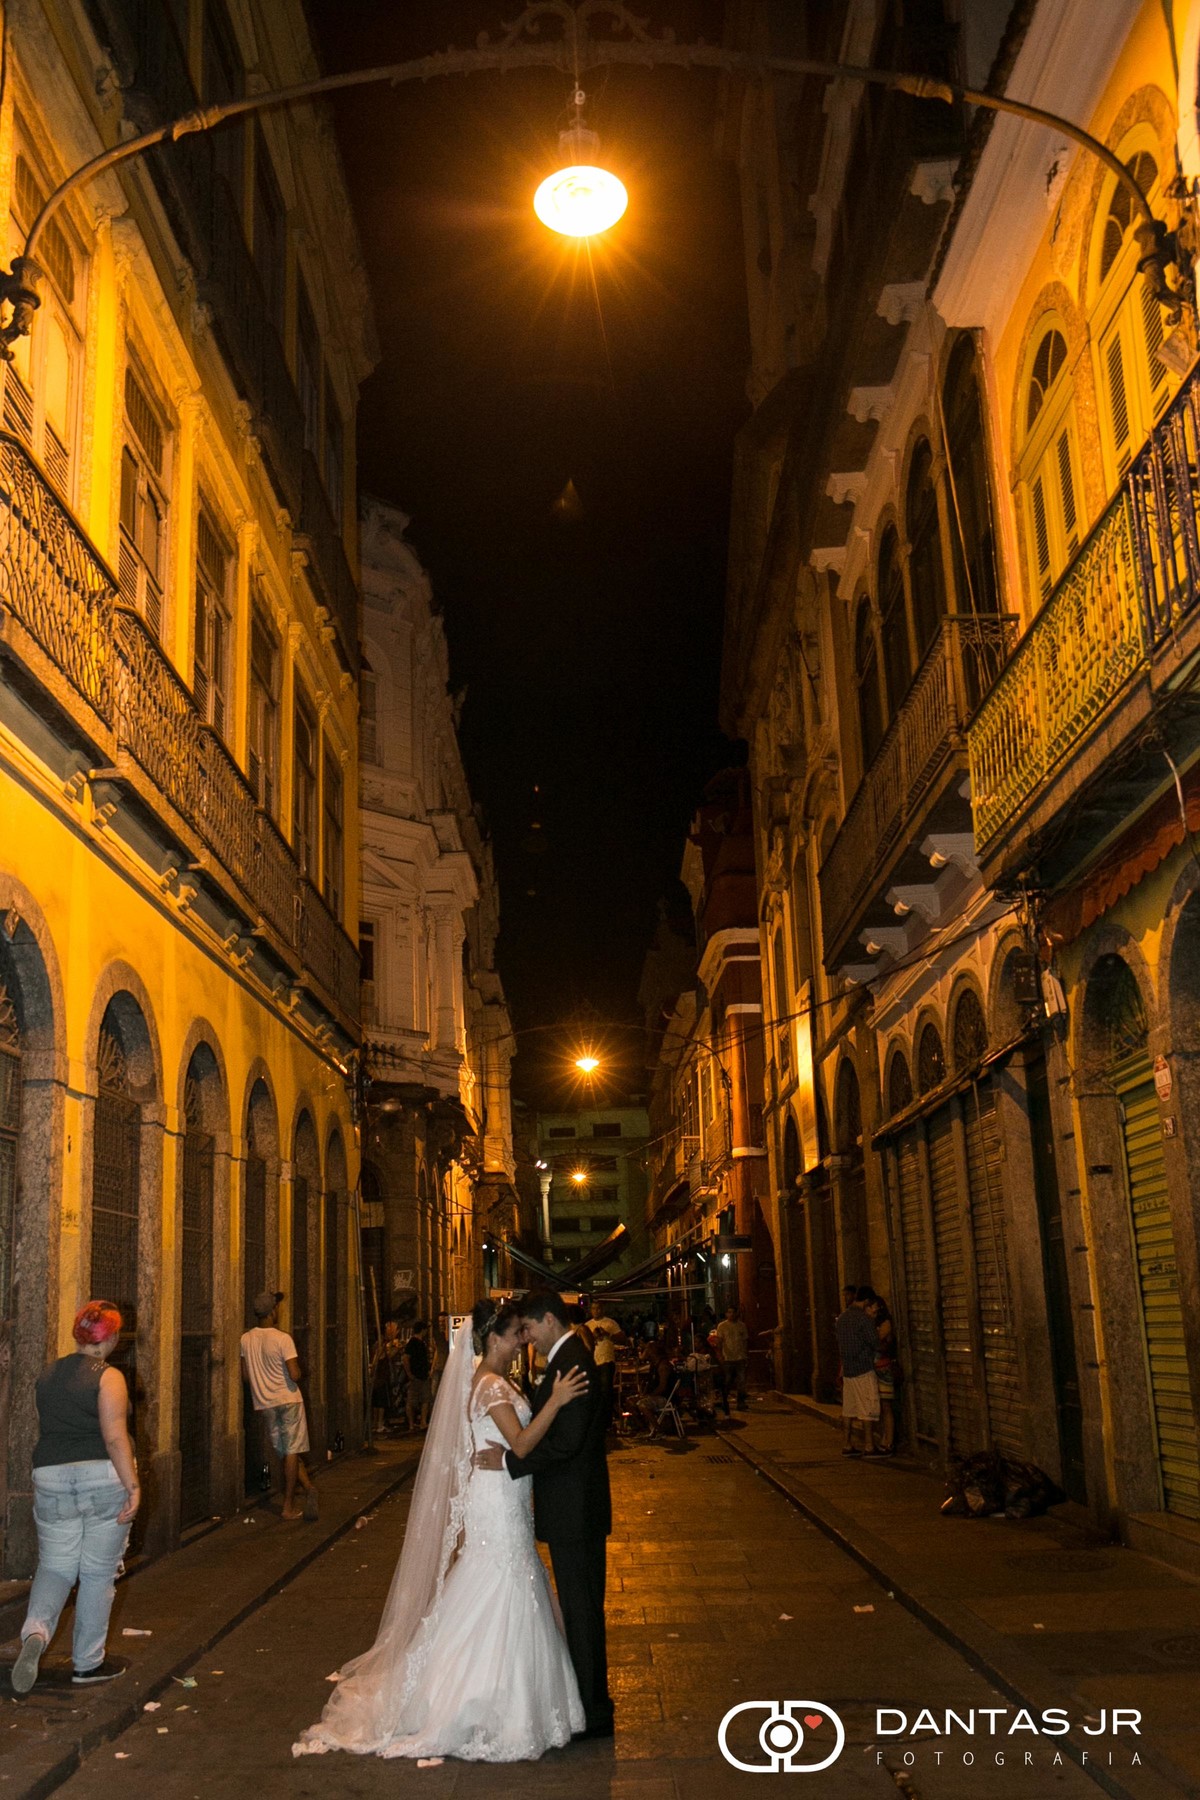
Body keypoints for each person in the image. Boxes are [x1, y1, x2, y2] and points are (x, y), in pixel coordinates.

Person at [294, 1300, 588, 1760]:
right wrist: (556, 1401)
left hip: (504, 1493)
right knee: (499, 1581)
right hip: (496, 1499)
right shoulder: (490, 1386)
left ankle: (492, 1693)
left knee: (504, 1578)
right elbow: (524, 1442)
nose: (521, 1343)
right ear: (493, 1339)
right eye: (514, 1336)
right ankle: (476, 1702)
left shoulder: (495, 1381)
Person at [474, 1290, 615, 1740]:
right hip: (573, 1505)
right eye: (518, 1334)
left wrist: (513, 1464)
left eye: (529, 1329)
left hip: (575, 1508)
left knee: (581, 1609)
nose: (526, 1339)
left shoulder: (570, 1361)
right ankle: (591, 1702)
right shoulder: (565, 1358)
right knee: (579, 1607)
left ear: (548, 1321)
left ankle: (593, 1711)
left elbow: (567, 1441)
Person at [11, 1301, 139, 1693]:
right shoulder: (109, 1377)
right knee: (97, 1574)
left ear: (77, 1334)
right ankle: (87, 1663)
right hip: (101, 1477)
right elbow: (115, 1437)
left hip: (50, 1476)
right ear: (112, 1338)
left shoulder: (48, 1374)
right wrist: (133, 1486)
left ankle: (35, 1633)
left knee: (55, 1566)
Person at [240, 1291, 318, 1521]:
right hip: (289, 1400)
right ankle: (288, 1506)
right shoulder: (283, 1339)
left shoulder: (245, 1339)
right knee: (292, 1451)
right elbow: (294, 1374)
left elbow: (245, 1376)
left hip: (265, 1403)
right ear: (272, 1312)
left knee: (285, 1452)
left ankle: (310, 1488)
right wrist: (300, 1371)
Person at [836, 1289, 882, 1457]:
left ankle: (847, 1444)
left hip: (848, 1370)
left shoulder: (842, 1318)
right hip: (863, 1367)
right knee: (867, 1408)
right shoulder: (864, 1319)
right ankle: (869, 1446)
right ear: (867, 1302)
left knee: (848, 1410)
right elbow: (875, 1342)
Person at [863, 1290, 898, 1454]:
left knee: (886, 1406)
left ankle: (888, 1441)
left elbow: (875, 1341)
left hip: (883, 1368)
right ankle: (883, 1438)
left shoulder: (885, 1323)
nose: (871, 1309)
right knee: (876, 1407)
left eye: (873, 1306)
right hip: (872, 1369)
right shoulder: (871, 1323)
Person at [586, 1298, 626, 1421]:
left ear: (602, 1309)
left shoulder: (610, 1323)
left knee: (606, 1390)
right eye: (593, 1308)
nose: (596, 1311)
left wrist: (607, 1334)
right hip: (593, 1362)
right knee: (594, 1390)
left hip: (606, 1360)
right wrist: (593, 1337)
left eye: (598, 1308)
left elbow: (622, 1338)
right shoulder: (588, 1325)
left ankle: (607, 1418)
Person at [714, 1305, 750, 1409]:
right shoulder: (722, 1326)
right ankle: (724, 1401)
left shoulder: (742, 1326)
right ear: (726, 1314)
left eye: (733, 1312)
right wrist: (720, 1355)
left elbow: (745, 1341)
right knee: (728, 1380)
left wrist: (746, 1355)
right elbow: (719, 1341)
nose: (731, 1314)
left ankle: (741, 1402)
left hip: (740, 1357)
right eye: (729, 1312)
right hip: (728, 1357)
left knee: (741, 1381)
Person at [403, 1321, 433, 1432]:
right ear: (423, 1330)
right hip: (415, 1376)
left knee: (425, 1399)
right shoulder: (413, 1343)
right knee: (412, 1401)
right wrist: (410, 1374)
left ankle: (422, 1422)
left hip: (423, 1376)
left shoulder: (421, 1343)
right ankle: (412, 1424)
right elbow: (405, 1359)